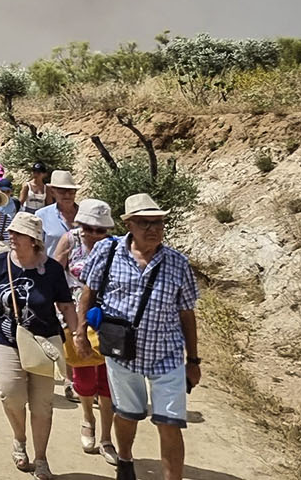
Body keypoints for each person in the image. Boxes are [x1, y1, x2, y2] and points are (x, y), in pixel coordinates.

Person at [74, 194, 201, 480]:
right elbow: (88, 293)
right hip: (122, 352)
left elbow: (187, 314)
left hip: (166, 355)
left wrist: (193, 360)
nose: (153, 229)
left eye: (158, 222)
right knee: (128, 415)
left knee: (170, 423)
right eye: (145, 223)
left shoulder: (177, 263)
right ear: (129, 224)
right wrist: (81, 332)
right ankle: (126, 459)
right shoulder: (107, 253)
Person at [0, 212, 78, 479]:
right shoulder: (0, 263)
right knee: (11, 393)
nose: (12, 237)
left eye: (18, 234)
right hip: (6, 337)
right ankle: (20, 439)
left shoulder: (52, 269)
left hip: (43, 340)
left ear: (33, 240)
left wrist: (77, 335)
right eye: (12, 233)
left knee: (42, 404)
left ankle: (41, 458)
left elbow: (65, 305)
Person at [53, 199, 119, 464]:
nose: (93, 234)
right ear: (79, 224)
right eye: (88, 227)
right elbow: (54, 275)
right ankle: (87, 418)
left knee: (108, 379)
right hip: (74, 314)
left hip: (108, 317)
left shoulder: (116, 247)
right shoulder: (69, 240)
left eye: (100, 229)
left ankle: (106, 437)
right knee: (83, 373)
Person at [36, 171, 81, 257]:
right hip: (52, 269)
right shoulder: (41, 215)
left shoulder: (85, 215)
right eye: (62, 191)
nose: (67, 195)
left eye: (71, 191)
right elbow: (36, 248)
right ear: (52, 192)